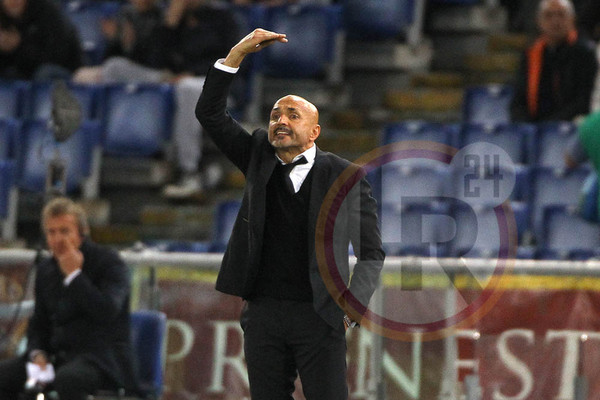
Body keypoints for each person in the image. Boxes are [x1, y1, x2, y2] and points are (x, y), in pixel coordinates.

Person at [195, 28, 385, 399]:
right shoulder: (257, 155)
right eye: (274, 115)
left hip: (320, 314)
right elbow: (209, 113)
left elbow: (371, 252)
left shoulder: (345, 176)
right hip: (263, 314)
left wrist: (351, 309)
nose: (280, 121)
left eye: (292, 115)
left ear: (314, 132)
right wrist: (236, 54)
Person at [74, 0, 240, 200]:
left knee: (187, 88)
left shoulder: (222, 17)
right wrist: (169, 25)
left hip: (212, 85)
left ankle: (189, 171)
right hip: (172, 79)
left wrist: (194, 72)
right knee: (114, 67)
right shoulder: (170, 21)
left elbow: (233, 60)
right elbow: (154, 61)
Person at [0, 197, 137, 400]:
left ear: (82, 232)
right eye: (51, 232)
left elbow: (107, 311)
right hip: (58, 356)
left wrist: (74, 276)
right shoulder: (46, 269)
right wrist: (37, 353)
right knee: (4, 375)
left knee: (69, 379)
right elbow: (39, 323)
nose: (58, 240)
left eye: (64, 231)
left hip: (102, 358)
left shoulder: (109, 263)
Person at [510, 0, 598, 122]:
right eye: (548, 15)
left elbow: (583, 101)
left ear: (572, 19)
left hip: (572, 124)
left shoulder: (585, 53)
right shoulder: (531, 53)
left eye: (561, 15)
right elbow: (519, 98)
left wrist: (551, 124)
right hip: (535, 125)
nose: (555, 21)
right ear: (538, 21)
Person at [0, 0, 83, 81]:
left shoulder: (47, 13)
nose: (13, 1)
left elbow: (57, 55)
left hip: (62, 70)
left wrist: (19, 46)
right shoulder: (3, 18)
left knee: (45, 73)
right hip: (21, 71)